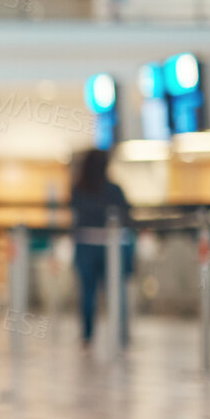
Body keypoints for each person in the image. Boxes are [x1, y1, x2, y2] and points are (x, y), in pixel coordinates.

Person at [69, 147, 134, 348]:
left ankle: (87, 336)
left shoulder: (78, 190)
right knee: (116, 291)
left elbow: (74, 218)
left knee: (88, 292)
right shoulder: (114, 190)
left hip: (86, 245)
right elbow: (127, 217)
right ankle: (121, 335)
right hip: (111, 247)